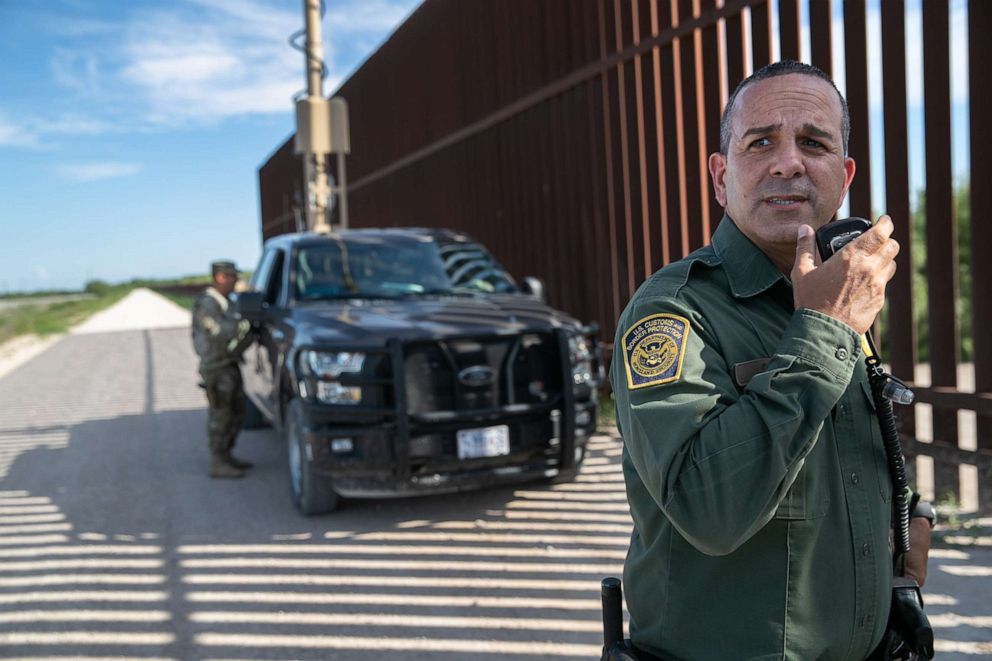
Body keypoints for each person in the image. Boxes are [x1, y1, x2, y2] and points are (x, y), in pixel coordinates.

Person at [611, 60, 934, 659]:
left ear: (845, 175)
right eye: (761, 142)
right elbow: (709, 509)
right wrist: (824, 330)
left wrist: (908, 533)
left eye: (813, 142)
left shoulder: (833, 291)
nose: (789, 161)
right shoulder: (672, 312)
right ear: (720, 176)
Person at [192, 260, 255, 479]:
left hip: (228, 364)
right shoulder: (208, 304)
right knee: (221, 414)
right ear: (220, 277)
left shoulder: (224, 302)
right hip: (216, 367)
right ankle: (218, 462)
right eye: (232, 277)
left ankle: (227, 455)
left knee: (237, 413)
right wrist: (242, 324)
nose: (236, 281)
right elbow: (219, 331)